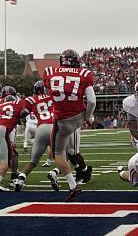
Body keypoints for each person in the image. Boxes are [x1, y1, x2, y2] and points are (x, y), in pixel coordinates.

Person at [43, 49, 95, 202]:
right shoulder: (84, 73)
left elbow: (50, 93)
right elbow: (91, 101)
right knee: (71, 150)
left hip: (62, 119)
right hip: (78, 116)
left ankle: (73, 186)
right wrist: (88, 117)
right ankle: (81, 171)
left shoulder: (50, 71)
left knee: (58, 153)